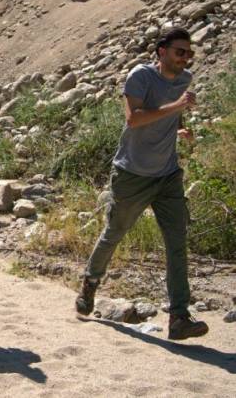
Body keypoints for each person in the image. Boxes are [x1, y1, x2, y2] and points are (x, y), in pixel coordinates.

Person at [75, 27, 209, 341]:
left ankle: (178, 317)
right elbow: (134, 119)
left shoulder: (184, 79)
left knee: (177, 241)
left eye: (189, 54)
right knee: (114, 233)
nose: (185, 59)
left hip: (167, 175)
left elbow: (170, 115)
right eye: (180, 52)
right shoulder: (140, 77)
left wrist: (180, 128)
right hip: (132, 174)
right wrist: (178, 106)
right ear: (161, 51)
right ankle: (90, 282)